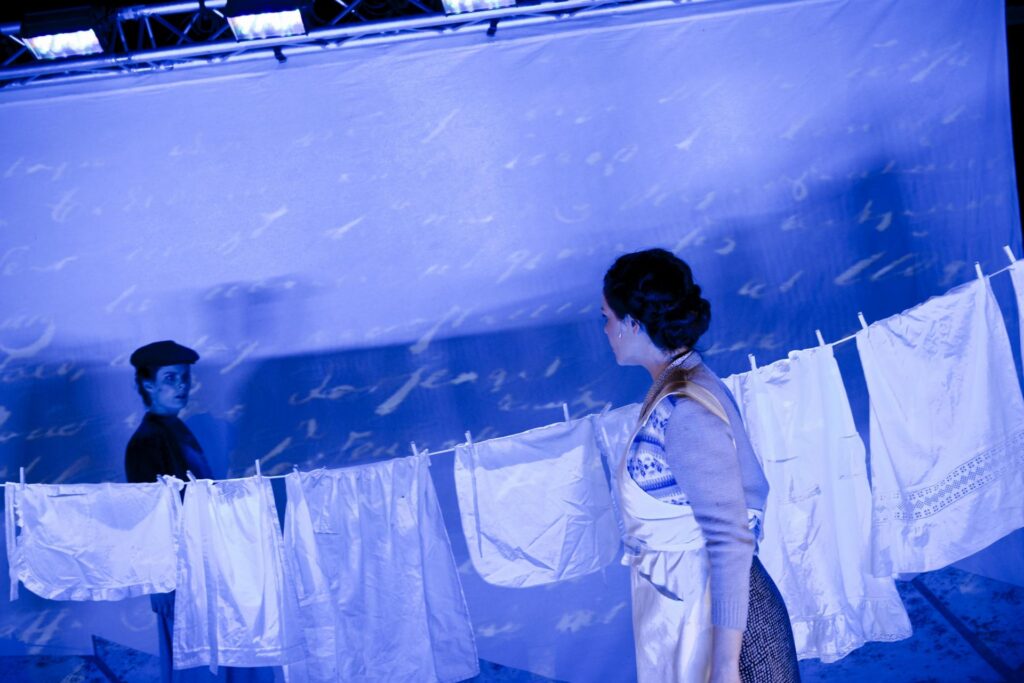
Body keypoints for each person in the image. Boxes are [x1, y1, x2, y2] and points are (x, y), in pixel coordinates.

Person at [601, 249, 799, 683]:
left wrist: (726, 666)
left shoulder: (686, 410)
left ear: (633, 323)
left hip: (732, 634)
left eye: (607, 318)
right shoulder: (675, 385)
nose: (606, 330)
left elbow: (730, 539)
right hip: (696, 611)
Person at [125, 340, 272, 683]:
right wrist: (160, 582)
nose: (181, 386)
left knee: (222, 653)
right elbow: (148, 515)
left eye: (185, 378)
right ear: (148, 384)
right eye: (170, 378)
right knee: (197, 662)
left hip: (206, 563)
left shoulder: (176, 430)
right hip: (180, 572)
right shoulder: (146, 441)